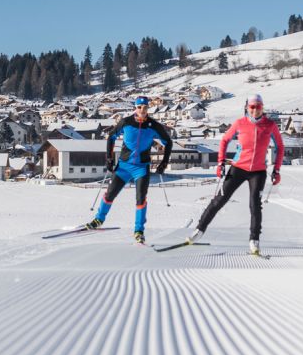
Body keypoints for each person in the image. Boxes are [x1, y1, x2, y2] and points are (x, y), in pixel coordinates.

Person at [187, 94, 283, 254]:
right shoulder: (240, 123)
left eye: (258, 106)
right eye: (252, 107)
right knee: (220, 200)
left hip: (258, 171)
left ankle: (254, 240)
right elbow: (224, 140)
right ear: (247, 107)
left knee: (255, 204)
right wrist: (220, 162)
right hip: (238, 168)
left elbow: (280, 146)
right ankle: (199, 230)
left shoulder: (270, 125)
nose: (255, 110)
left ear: (262, 108)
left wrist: (277, 170)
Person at [86, 96, 173, 244]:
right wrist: (109, 158)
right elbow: (111, 138)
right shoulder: (126, 122)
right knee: (110, 194)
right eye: (139, 107)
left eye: (145, 107)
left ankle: (139, 231)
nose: (142, 110)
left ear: (148, 108)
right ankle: (98, 220)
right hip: (124, 166)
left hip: (141, 168)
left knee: (141, 198)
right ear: (135, 108)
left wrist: (164, 162)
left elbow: (168, 142)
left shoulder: (154, 126)